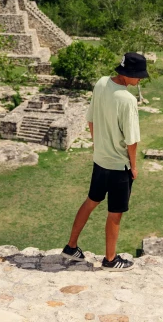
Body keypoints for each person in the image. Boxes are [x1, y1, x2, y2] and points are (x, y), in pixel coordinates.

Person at [62, 52, 148, 271]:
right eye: (138, 76)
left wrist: (99, 144)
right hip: (119, 166)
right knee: (115, 213)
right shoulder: (128, 100)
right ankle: (110, 260)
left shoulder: (100, 83)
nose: (140, 80)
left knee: (91, 201)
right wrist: (134, 167)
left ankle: (71, 246)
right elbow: (132, 140)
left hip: (100, 161)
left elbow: (90, 119)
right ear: (128, 74)